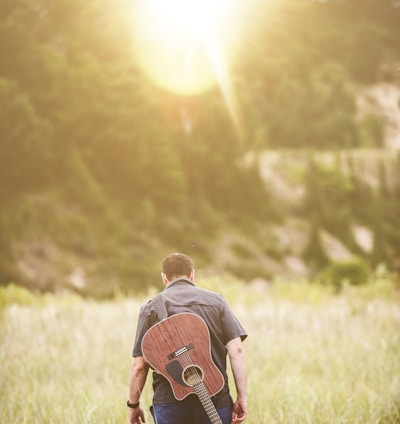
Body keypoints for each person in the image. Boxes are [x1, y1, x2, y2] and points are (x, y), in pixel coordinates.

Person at [128, 252, 248, 424]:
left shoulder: (150, 308)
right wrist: (242, 397)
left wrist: (133, 405)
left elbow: (139, 366)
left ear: (164, 278)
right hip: (214, 399)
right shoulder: (216, 302)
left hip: (169, 404)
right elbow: (237, 350)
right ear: (192, 275)